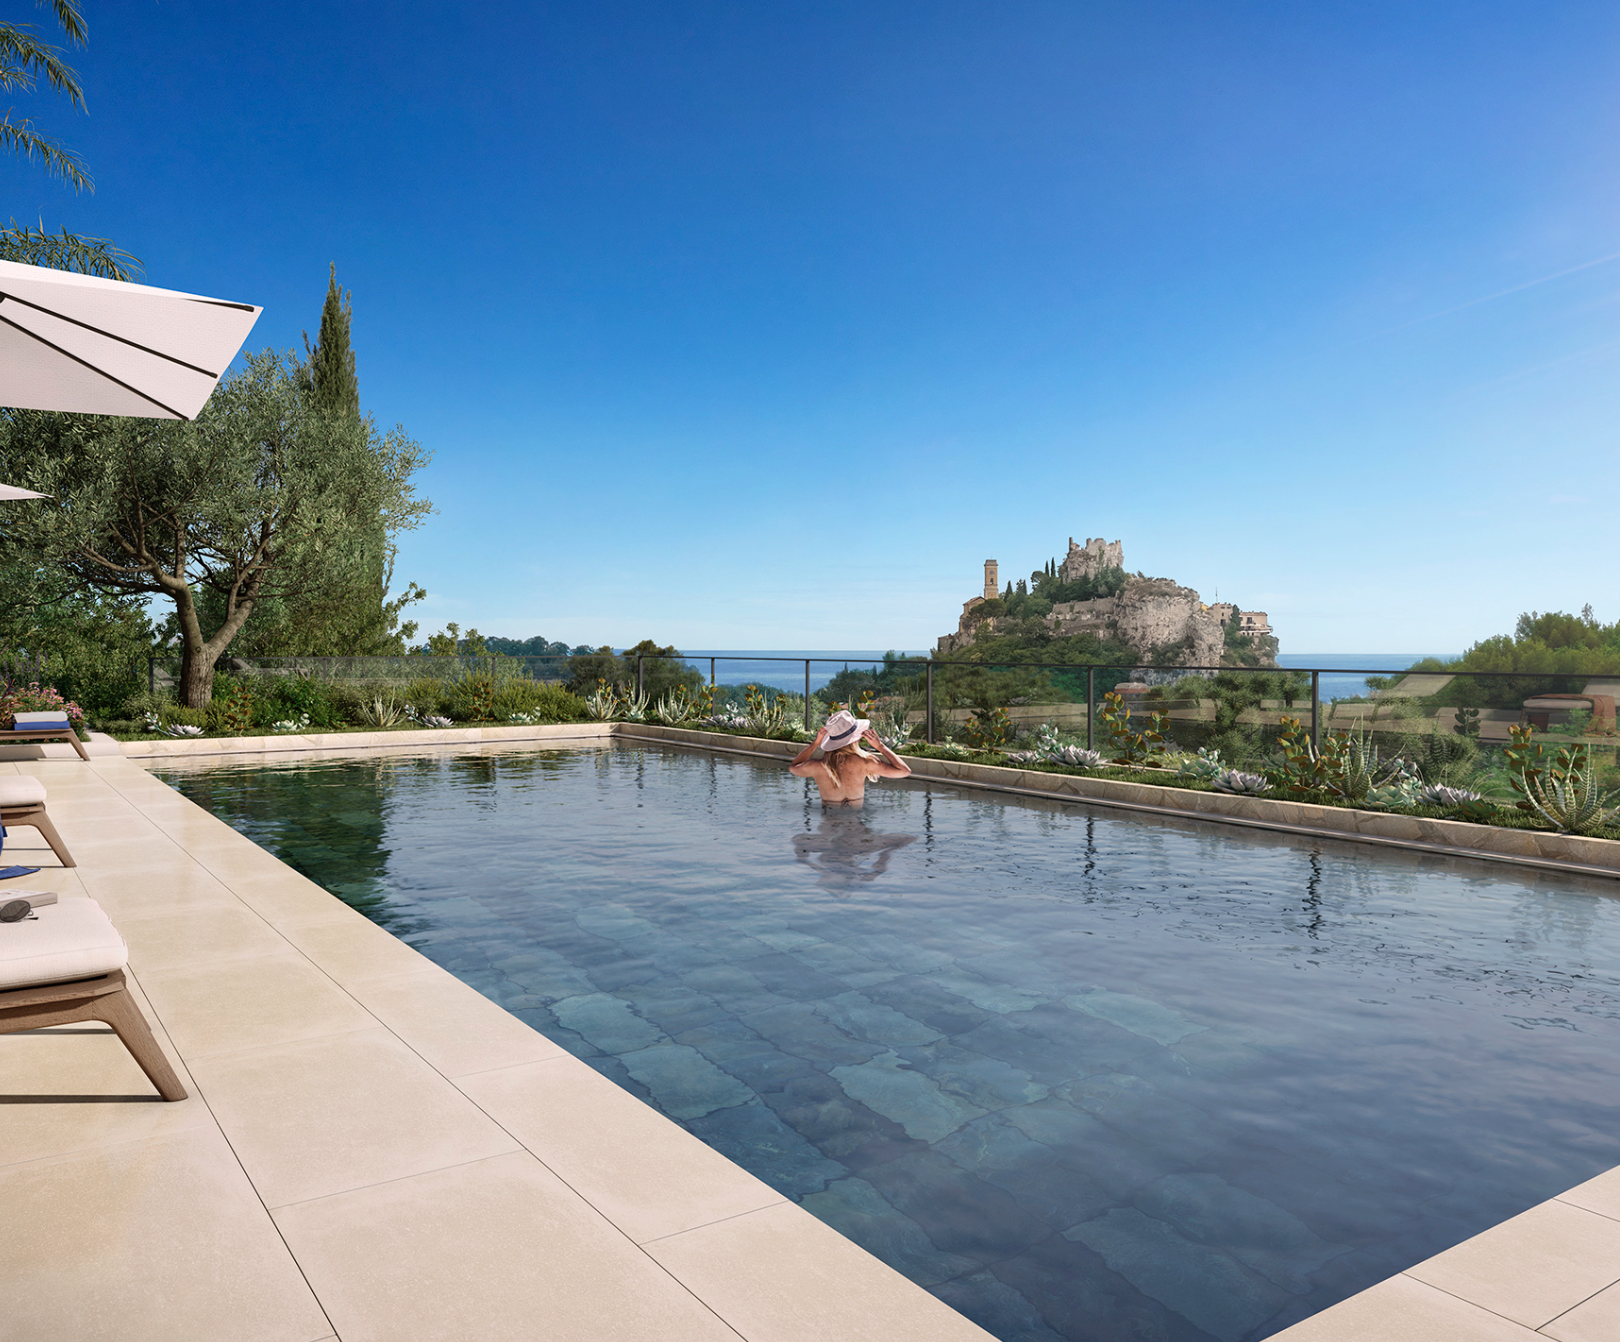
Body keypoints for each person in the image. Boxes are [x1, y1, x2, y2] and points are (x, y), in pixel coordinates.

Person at [790, 708, 911, 805]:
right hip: (855, 825)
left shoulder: (817, 766)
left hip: (829, 824)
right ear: (855, 737)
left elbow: (793, 767)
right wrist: (880, 746)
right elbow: (904, 771)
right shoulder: (865, 762)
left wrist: (815, 744)